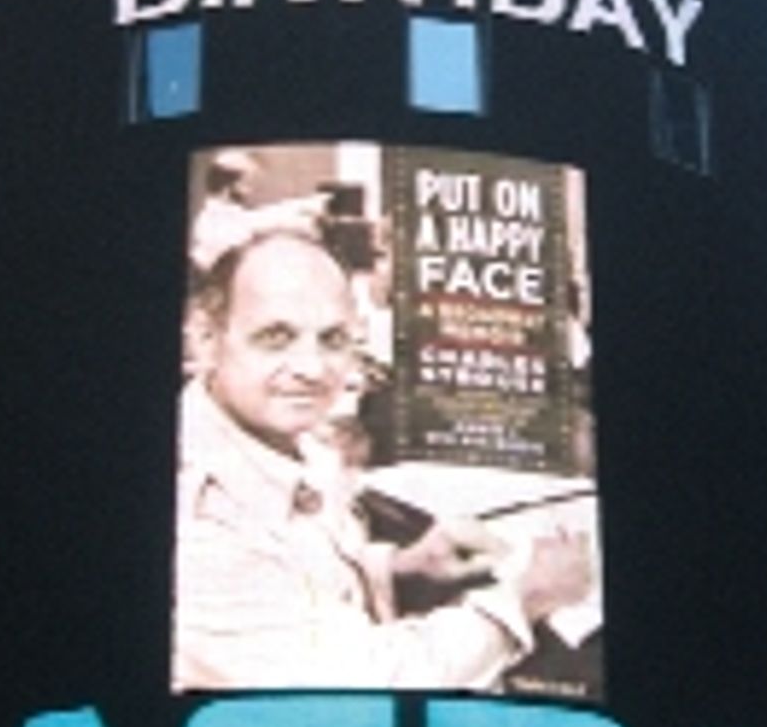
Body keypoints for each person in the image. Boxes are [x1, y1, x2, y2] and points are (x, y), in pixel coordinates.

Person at [173, 229, 594, 691]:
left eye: (333, 339)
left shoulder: (276, 431)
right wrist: (525, 600)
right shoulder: (196, 519)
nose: (312, 369)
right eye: (276, 337)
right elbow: (356, 684)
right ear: (206, 339)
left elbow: (295, 580)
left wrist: (399, 565)